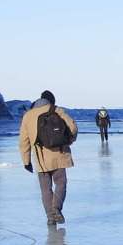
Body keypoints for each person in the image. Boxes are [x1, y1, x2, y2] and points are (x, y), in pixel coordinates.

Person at [18, 90, 78, 226]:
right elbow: (73, 127)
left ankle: (51, 218)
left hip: (40, 158)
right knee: (61, 183)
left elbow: (23, 141)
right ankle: (56, 208)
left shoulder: (28, 115)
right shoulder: (57, 110)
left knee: (46, 189)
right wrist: (69, 140)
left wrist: (26, 161)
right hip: (59, 154)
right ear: (52, 101)